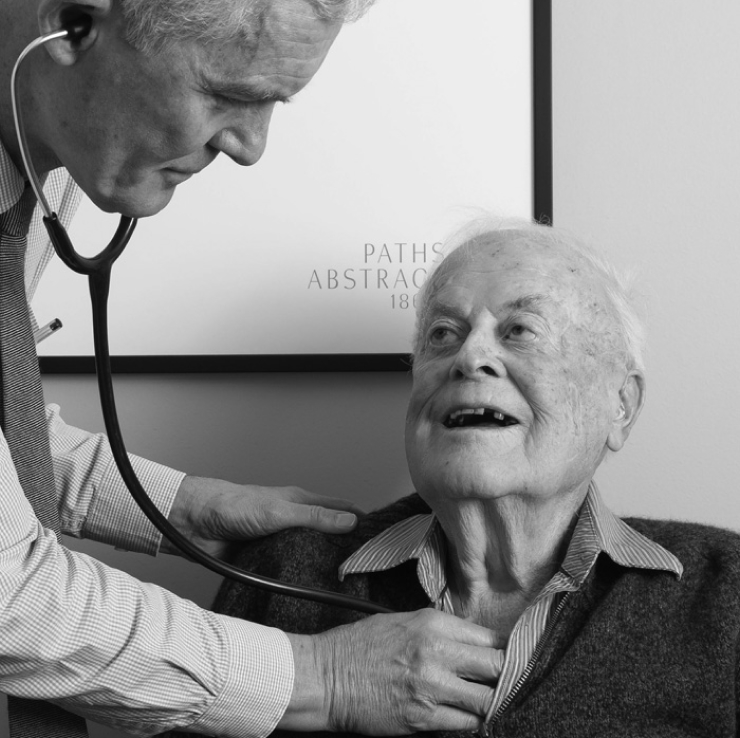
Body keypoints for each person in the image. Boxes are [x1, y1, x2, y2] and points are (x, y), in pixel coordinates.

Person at [0, 1, 504, 736]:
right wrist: (322, 676)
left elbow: (7, 431)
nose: (250, 147)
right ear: (72, 24)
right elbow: (7, 598)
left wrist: (182, 507)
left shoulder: (51, 146)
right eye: (229, 94)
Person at [210, 218, 740, 736]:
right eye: (443, 334)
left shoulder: (726, 592)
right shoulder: (284, 573)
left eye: (521, 331)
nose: (469, 357)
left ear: (621, 404)